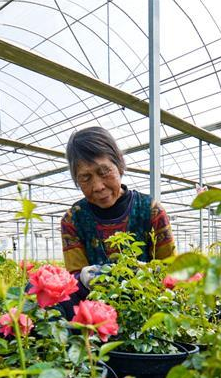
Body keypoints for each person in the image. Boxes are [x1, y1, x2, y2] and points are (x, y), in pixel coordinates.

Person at [58, 127, 175, 311]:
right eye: (86, 178)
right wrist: (84, 278)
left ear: (119, 164)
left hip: (146, 310)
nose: (98, 186)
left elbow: (171, 271)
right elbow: (74, 283)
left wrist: (146, 273)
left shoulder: (151, 211)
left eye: (104, 171)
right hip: (94, 315)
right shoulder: (73, 220)